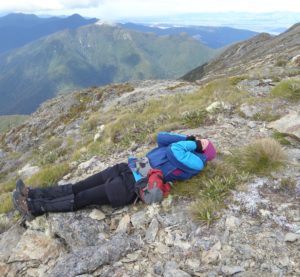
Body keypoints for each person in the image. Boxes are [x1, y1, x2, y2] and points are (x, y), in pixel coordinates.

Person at [12, 132, 216, 219]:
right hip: (130, 167)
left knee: (83, 198)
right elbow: (161, 137)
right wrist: (188, 137)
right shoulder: (185, 147)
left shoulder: (197, 163)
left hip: (132, 185)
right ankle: (34, 193)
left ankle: (34, 208)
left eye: (201, 142)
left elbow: (174, 151)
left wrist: (195, 144)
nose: (198, 140)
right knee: (78, 187)